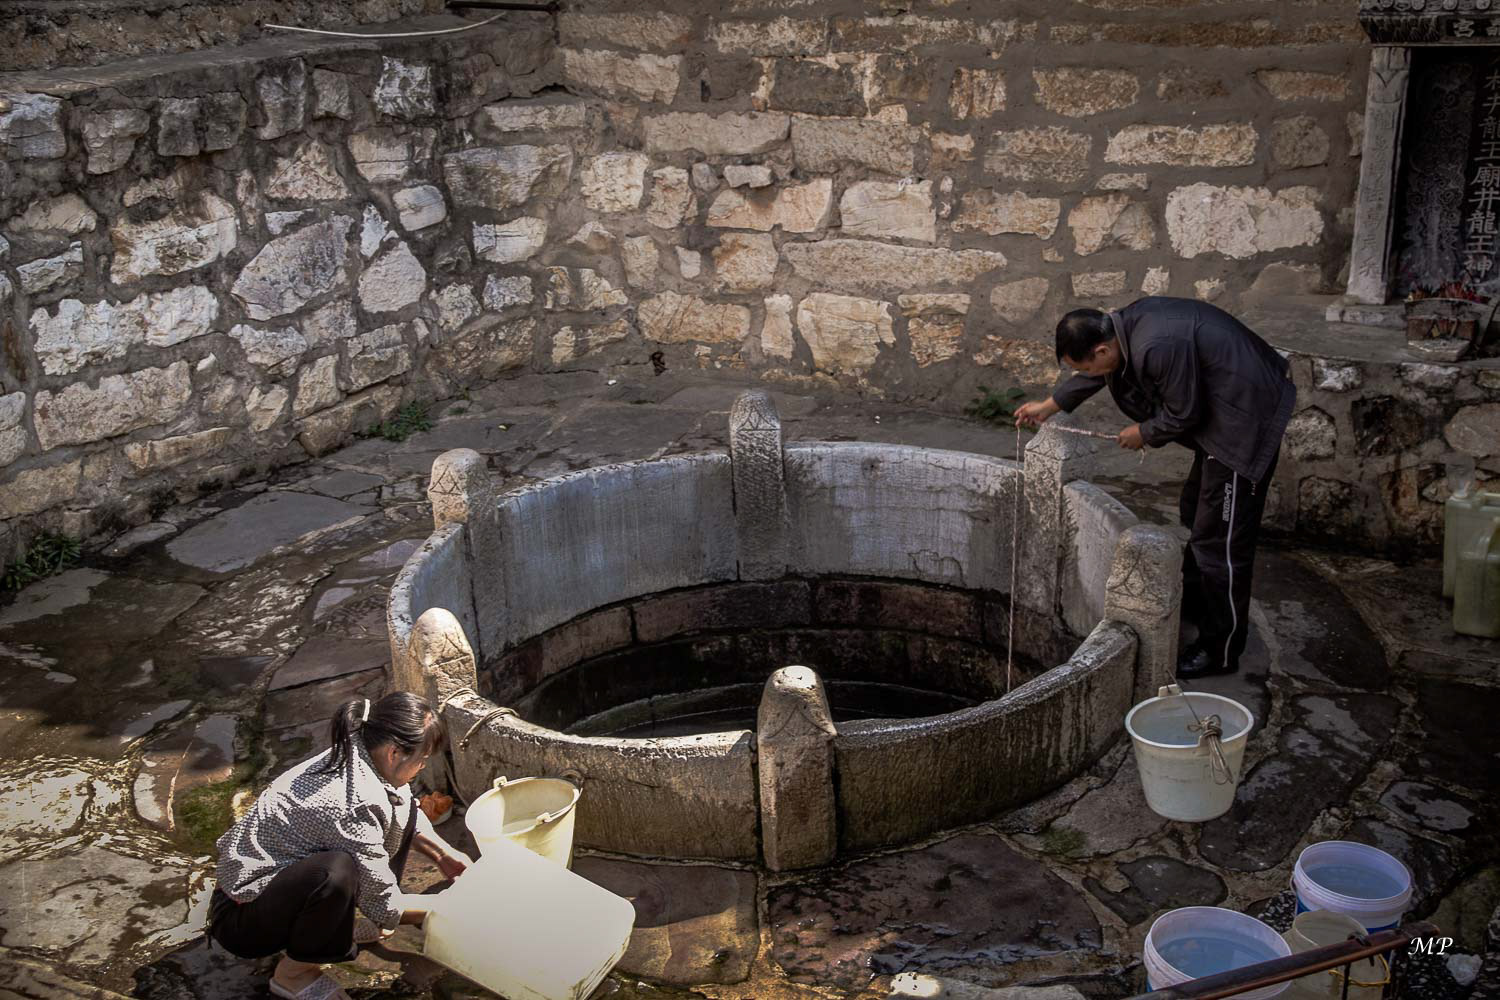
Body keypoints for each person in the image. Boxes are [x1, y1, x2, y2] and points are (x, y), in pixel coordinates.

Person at [1014, 296, 1294, 679]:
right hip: (1224, 405)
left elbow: (1184, 412)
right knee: (1196, 509)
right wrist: (1050, 405)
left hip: (1244, 417)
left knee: (1222, 541)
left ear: (1102, 348)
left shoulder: (1157, 345)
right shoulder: (1120, 331)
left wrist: (1144, 433)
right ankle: (1198, 602)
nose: (1089, 373)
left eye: (1085, 365)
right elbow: (1097, 372)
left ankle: (1221, 649)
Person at [210, 692, 473, 1000]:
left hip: (280, 892)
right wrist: (450, 908)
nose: (422, 767)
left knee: (396, 812)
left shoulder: (364, 751)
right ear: (394, 752)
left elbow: (403, 809)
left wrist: (442, 853)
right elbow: (385, 903)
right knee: (334, 872)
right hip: (243, 918)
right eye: (422, 760)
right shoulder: (354, 802)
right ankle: (294, 974)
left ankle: (338, 927)